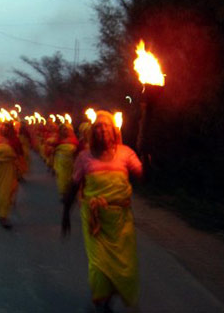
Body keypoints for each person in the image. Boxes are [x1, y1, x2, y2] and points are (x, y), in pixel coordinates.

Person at [61, 110, 143, 312]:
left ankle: (110, 295)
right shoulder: (84, 157)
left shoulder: (126, 153)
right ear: (92, 132)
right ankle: (101, 301)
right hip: (94, 220)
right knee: (99, 267)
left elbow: (141, 174)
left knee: (125, 268)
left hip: (121, 222)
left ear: (114, 131)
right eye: (98, 126)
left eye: (106, 125)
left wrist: (147, 157)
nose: (103, 129)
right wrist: (65, 216)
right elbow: (73, 186)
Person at [53, 123, 79, 201]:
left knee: (71, 178)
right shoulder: (58, 139)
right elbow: (53, 149)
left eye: (67, 129)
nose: (66, 131)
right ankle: (64, 194)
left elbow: (77, 151)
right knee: (62, 178)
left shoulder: (75, 140)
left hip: (71, 163)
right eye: (64, 130)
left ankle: (70, 193)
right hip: (61, 163)